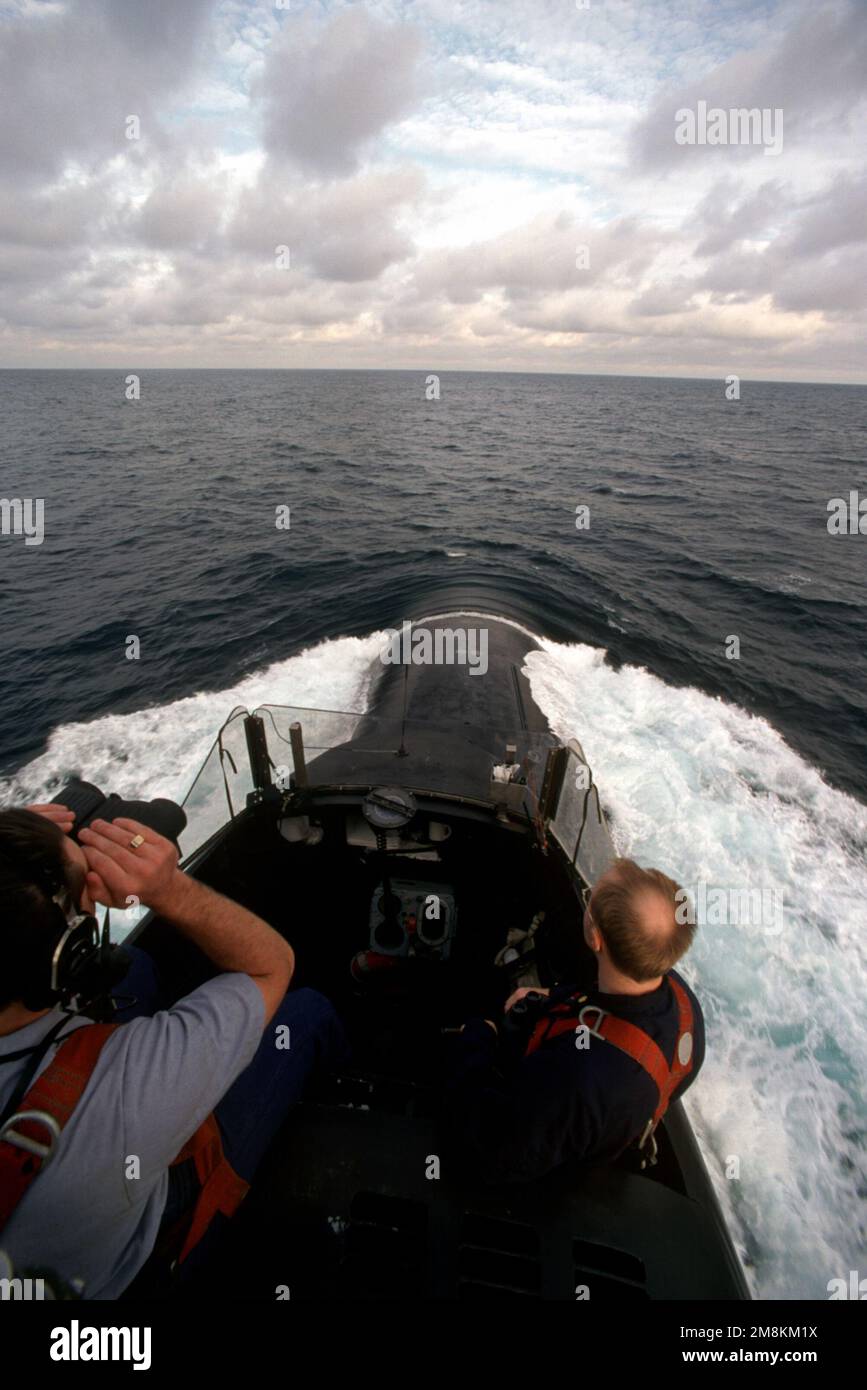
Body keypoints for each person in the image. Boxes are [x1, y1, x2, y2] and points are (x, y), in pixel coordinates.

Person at [0, 803, 346, 1298]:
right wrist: (167, 889)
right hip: (150, 1231)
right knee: (307, 1012)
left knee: (135, 965)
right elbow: (272, 966)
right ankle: (335, 1092)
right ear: (67, 954)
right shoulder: (122, 1090)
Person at [443, 857, 704, 1182]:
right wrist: (552, 996)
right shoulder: (683, 1003)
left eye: (588, 896)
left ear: (596, 938)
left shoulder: (577, 1078)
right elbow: (602, 998)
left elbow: (490, 1142)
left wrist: (477, 1038)